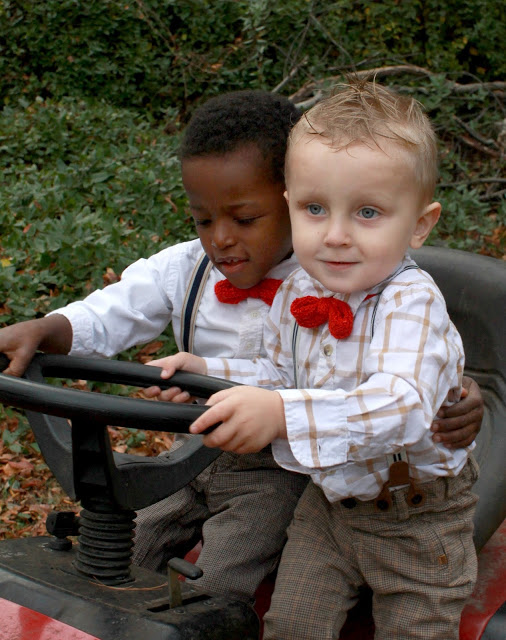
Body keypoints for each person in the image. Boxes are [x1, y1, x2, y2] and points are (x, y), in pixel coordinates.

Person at [0, 89, 482, 606]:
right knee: (127, 539)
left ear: (285, 199)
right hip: (202, 448)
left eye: (245, 219)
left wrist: (458, 384)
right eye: (204, 220)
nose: (220, 239)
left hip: (286, 468)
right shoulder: (194, 270)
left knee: (212, 587)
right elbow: (122, 310)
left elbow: (397, 363)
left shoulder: (340, 273)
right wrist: (50, 328)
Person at [151, 79, 479, 639]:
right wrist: (212, 377)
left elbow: (401, 406)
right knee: (291, 627)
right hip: (327, 509)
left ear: (420, 224)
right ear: (290, 206)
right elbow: (278, 376)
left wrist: (283, 415)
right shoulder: (299, 290)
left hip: (417, 518)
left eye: (368, 212)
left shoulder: (411, 302)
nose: (335, 236)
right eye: (314, 209)